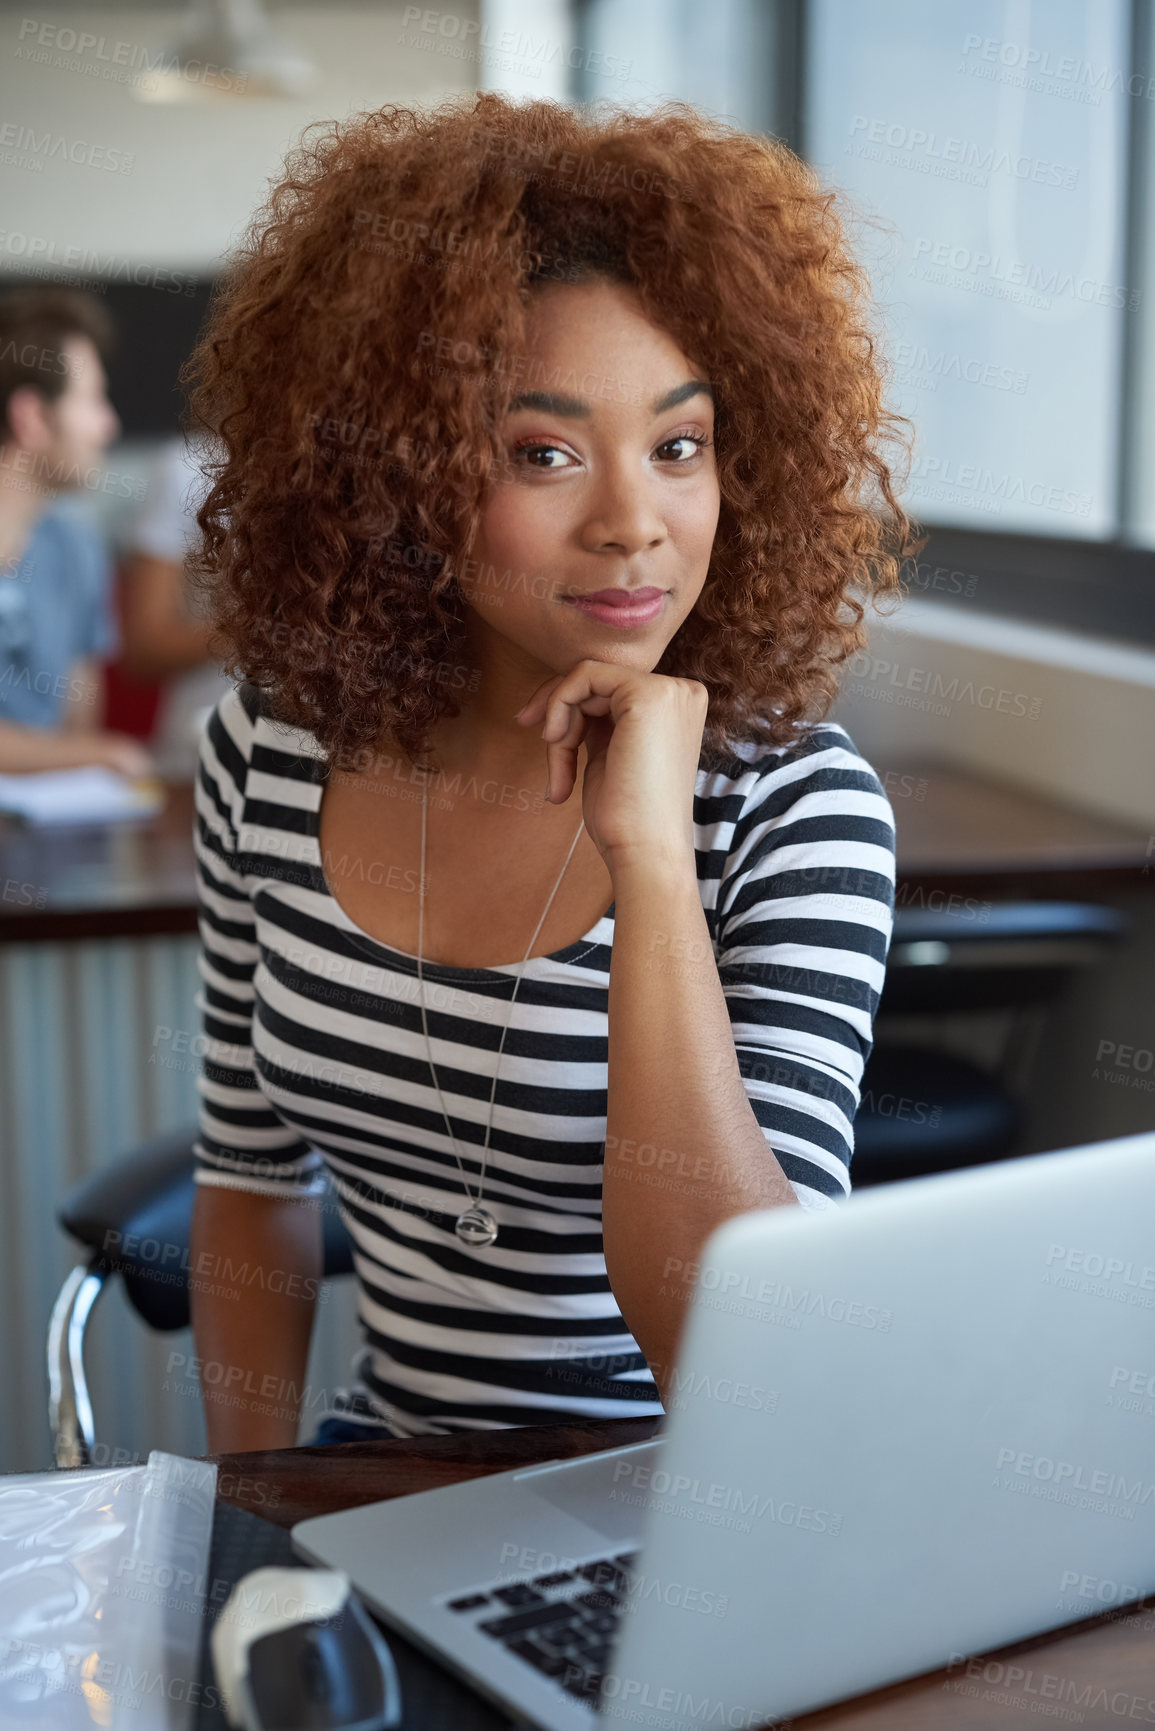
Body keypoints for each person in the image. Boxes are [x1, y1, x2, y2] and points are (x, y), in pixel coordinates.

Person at [184, 93, 915, 1454]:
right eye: (544, 452)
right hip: (376, 1484)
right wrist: (250, 1504)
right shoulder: (267, 753)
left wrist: (648, 857)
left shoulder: (792, 809)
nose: (634, 518)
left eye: (679, 445)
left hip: (689, 1519)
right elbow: (245, 1182)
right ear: (398, 473)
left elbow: (731, 1351)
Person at [0, 286, 153, 776]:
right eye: (91, 400)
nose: (108, 425)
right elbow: (83, 752)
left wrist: (84, 754)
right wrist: (101, 754)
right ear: (32, 417)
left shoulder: (77, 546)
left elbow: (76, 726)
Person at [119, 433, 235, 779]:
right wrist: (259, 628)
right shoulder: (188, 467)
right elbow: (144, 647)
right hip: (197, 760)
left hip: (325, 760)